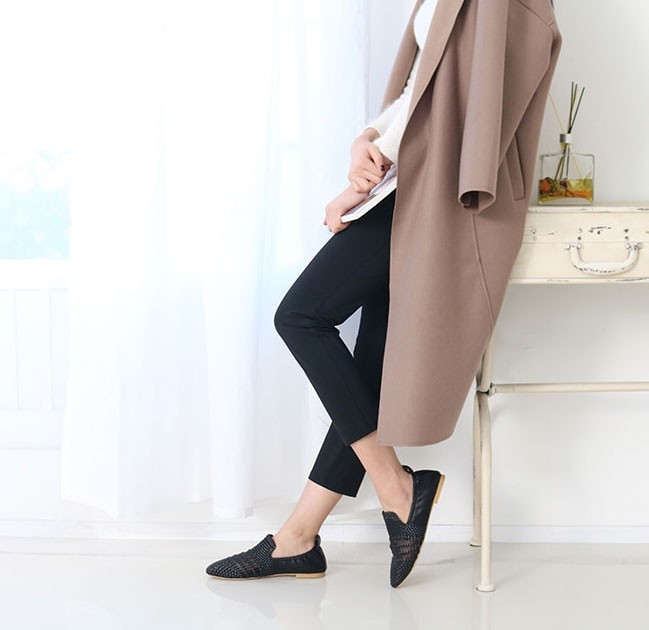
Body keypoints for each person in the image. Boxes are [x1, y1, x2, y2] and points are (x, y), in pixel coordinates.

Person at [206, 0, 445, 589]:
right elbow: (420, 88)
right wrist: (370, 141)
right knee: (362, 375)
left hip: (430, 192)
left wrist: (379, 168)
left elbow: (460, 102)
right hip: (405, 184)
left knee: (302, 316)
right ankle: (299, 539)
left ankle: (397, 489)